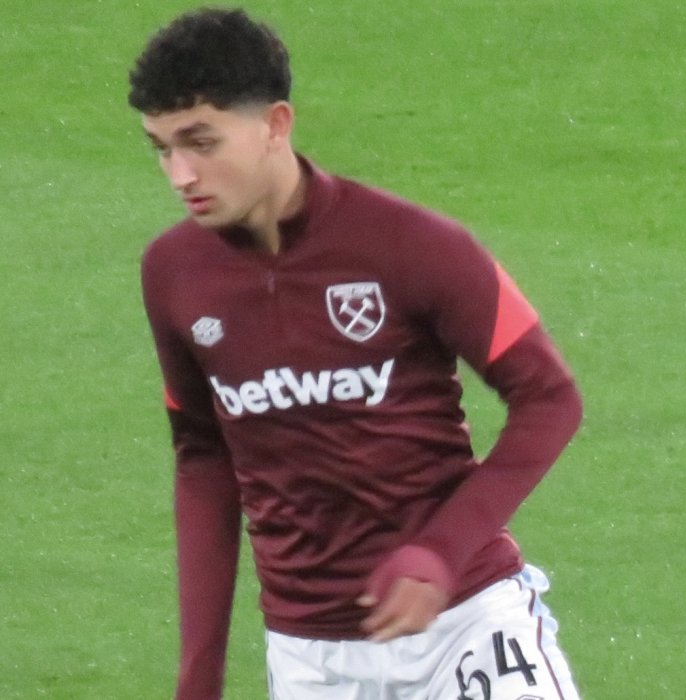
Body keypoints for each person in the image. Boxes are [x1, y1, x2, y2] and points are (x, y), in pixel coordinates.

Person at [128, 7, 583, 700]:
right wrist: (199, 676)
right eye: (161, 148)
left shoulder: (410, 245)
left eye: (201, 142)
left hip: (463, 624)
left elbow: (550, 397)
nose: (180, 174)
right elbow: (203, 455)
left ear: (276, 124)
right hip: (311, 661)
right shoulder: (173, 274)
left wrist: (441, 550)